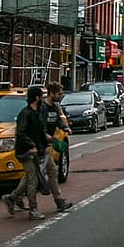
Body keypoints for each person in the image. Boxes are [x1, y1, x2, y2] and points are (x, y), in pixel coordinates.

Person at [3, 86, 48, 220]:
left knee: (29, 177)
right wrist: (32, 146)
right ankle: (33, 208)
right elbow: (21, 133)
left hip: (32, 150)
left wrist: (43, 146)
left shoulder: (36, 112)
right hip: (26, 152)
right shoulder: (26, 113)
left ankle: (12, 197)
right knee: (32, 179)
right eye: (41, 97)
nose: (43, 99)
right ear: (36, 98)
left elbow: (39, 132)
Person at [40, 82, 72, 213]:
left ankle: (13, 198)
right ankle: (59, 202)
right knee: (38, 174)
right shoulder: (42, 108)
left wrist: (65, 127)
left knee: (38, 174)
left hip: (48, 145)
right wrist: (45, 136)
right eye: (59, 94)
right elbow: (39, 125)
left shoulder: (54, 107)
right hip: (41, 145)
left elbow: (58, 120)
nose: (61, 96)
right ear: (51, 93)